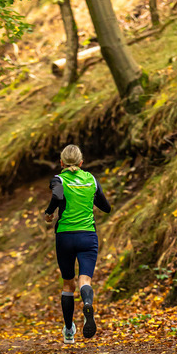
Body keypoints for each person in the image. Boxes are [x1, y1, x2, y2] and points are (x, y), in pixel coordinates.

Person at [43, 143, 111, 343]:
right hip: (87, 236)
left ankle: (69, 331)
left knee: (67, 283)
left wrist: (49, 213)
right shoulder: (91, 179)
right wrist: (89, 198)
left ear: (61, 162)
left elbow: (57, 195)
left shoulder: (59, 179)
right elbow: (106, 207)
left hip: (65, 236)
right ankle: (87, 303)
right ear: (81, 162)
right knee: (85, 280)